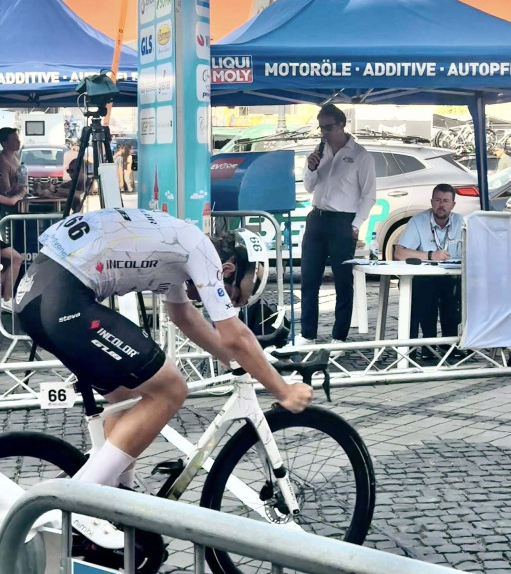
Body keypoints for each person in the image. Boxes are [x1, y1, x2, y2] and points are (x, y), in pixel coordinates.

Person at [16, 208, 312, 491]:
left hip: (34, 297)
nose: (222, 303)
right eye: (233, 297)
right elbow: (235, 335)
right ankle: (83, 502)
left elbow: (184, 316)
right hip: (64, 301)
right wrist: (284, 391)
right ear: (227, 270)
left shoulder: (179, 245)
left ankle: (115, 496)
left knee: (128, 398)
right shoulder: (201, 252)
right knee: (170, 389)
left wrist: (234, 361)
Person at [298, 104, 376, 349]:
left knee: (342, 282)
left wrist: (355, 225)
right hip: (317, 218)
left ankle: (339, 337)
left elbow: (369, 195)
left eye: (328, 127)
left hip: (343, 221)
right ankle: (307, 334)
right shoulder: (319, 152)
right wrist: (311, 168)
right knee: (309, 278)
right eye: (320, 127)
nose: (324, 133)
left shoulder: (361, 156)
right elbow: (309, 186)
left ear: (342, 125)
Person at [394, 184, 463, 357]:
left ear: (453, 205)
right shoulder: (418, 221)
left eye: (446, 201)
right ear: (431, 202)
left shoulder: (461, 222)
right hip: (425, 277)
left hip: (452, 277)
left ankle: (450, 344)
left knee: (458, 295)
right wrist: (431, 255)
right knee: (425, 293)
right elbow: (399, 253)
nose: (441, 205)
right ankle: (427, 345)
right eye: (437, 200)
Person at [0, 128, 26, 207]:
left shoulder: (16, 155)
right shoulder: (2, 161)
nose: (18, 141)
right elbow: (6, 191)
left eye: (18, 139)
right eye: (14, 139)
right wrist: (22, 191)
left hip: (18, 197)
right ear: (4, 143)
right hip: (6, 204)